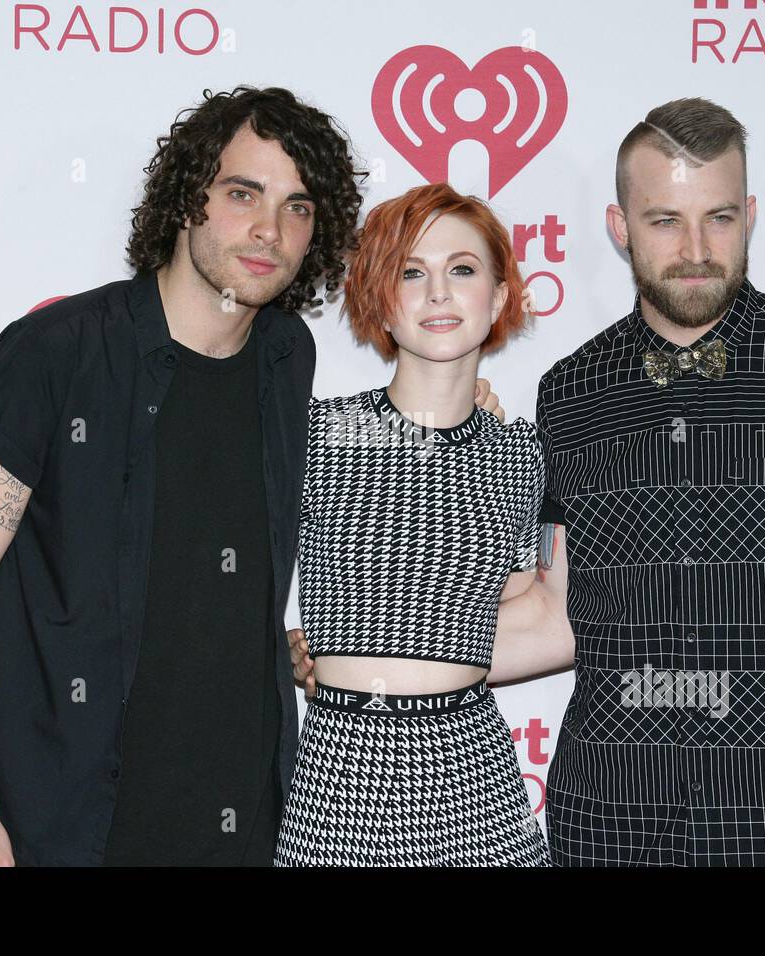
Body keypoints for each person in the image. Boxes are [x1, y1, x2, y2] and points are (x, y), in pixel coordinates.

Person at [0, 84, 505, 867]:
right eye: (243, 193)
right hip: (67, 821)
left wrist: (467, 412)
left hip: (249, 822)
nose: (269, 229)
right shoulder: (55, 353)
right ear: (186, 198)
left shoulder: (287, 357)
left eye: (298, 207)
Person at [490, 97, 765, 866]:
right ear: (619, 226)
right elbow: (560, 612)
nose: (696, 248)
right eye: (665, 220)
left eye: (719, 218)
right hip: (610, 827)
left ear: (750, 215)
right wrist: (363, 650)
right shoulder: (568, 392)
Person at [275, 182, 549, 866]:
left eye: (462, 270)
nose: (438, 294)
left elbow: (523, 607)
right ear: (378, 299)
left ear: (499, 294)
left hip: (473, 780)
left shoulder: (523, 456)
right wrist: (272, 647)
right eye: (411, 272)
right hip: (338, 777)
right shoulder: (318, 435)